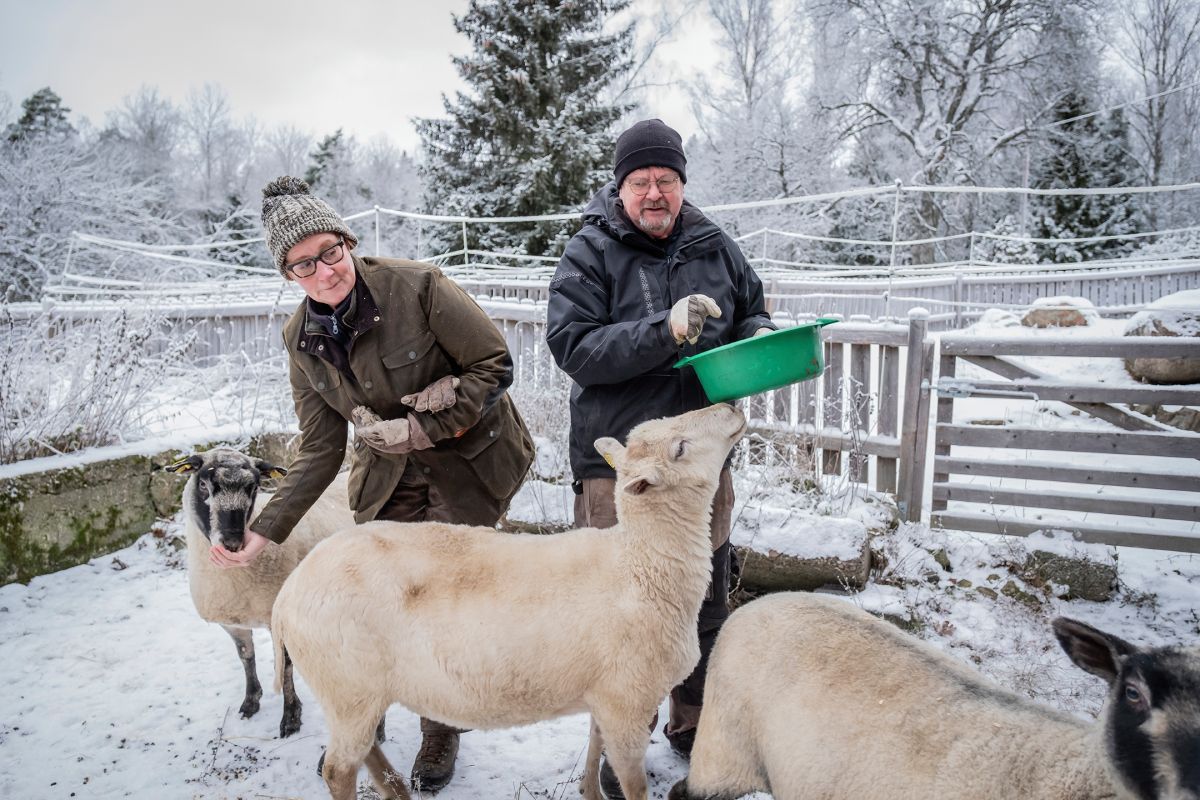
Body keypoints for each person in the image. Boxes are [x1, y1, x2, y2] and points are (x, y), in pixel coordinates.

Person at [212, 175, 535, 794]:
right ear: (288, 275)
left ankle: (441, 725)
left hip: (468, 464)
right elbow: (320, 448)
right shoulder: (300, 341)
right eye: (303, 264)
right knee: (386, 597)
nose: (325, 272)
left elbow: (496, 365)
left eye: (330, 251)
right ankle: (370, 708)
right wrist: (264, 531)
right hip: (388, 481)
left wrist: (422, 427)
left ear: (348, 242)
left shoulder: (419, 287)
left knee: (447, 600)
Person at [545, 119, 775, 800]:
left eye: (665, 180)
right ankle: (624, 737)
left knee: (705, 594)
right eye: (640, 181)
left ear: (681, 183)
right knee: (628, 608)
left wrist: (758, 336)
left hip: (700, 464)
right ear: (621, 189)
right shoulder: (590, 253)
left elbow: (754, 308)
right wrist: (663, 329)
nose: (654, 192)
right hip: (624, 465)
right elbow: (574, 347)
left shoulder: (714, 245)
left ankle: (695, 724)